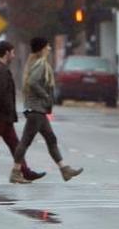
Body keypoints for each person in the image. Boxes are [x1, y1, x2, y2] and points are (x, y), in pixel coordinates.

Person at [0, 40, 45, 185]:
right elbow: (0, 95)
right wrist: (7, 112)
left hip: (2, 116)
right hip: (0, 116)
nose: (14, 55)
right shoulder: (0, 71)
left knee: (15, 145)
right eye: (12, 52)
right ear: (6, 53)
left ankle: (25, 171)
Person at [10, 37, 82, 184]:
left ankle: (64, 170)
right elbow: (33, 82)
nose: (49, 49)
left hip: (38, 110)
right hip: (37, 110)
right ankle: (15, 172)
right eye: (47, 46)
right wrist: (45, 95)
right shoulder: (41, 65)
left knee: (51, 139)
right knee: (25, 141)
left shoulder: (36, 63)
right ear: (42, 48)